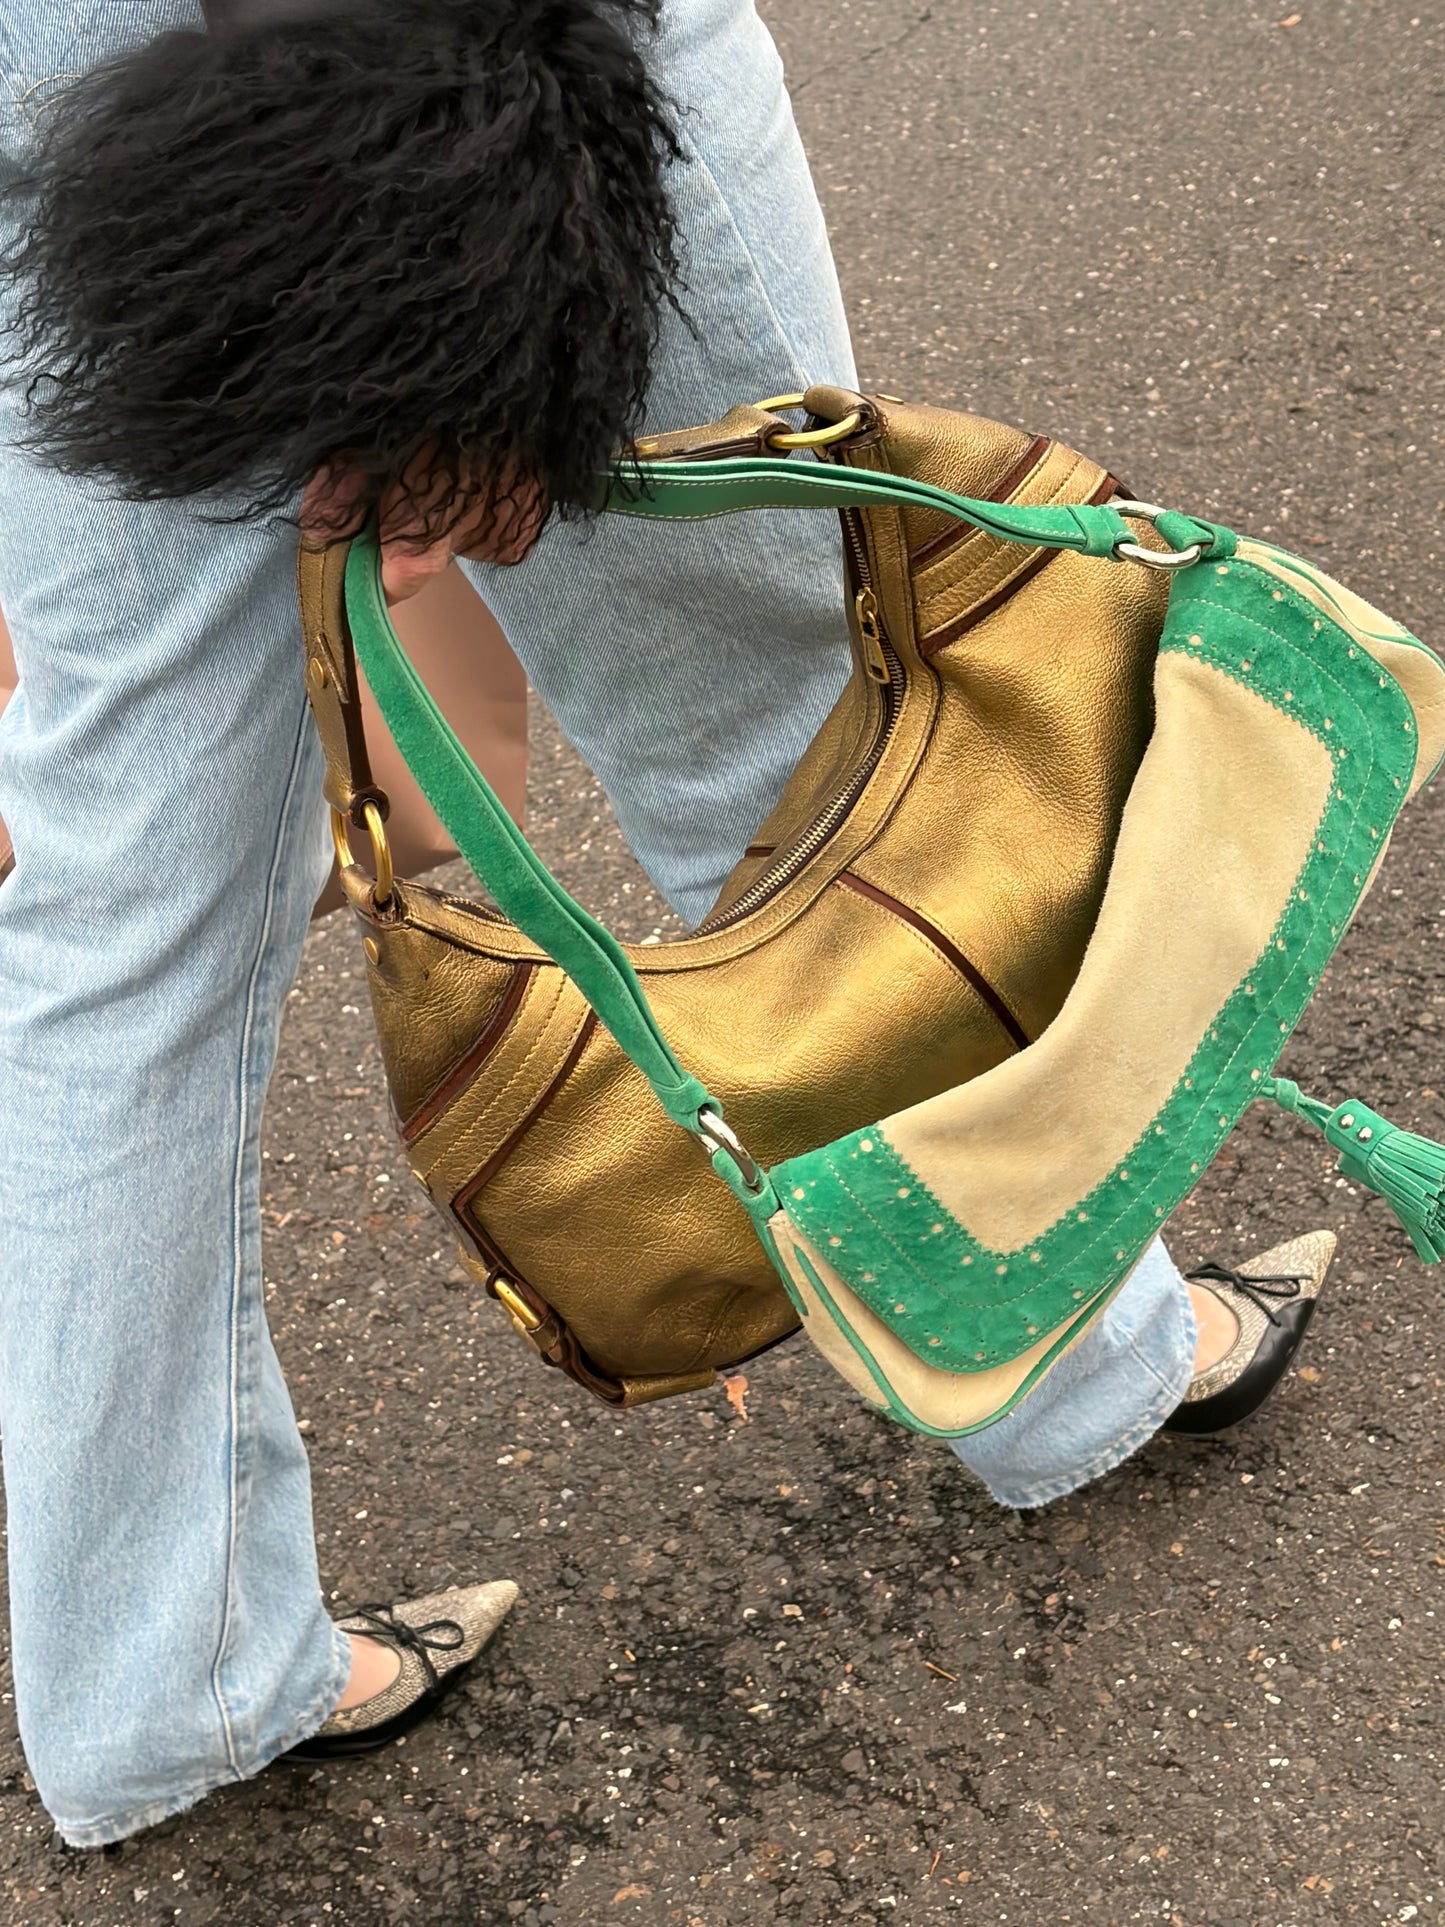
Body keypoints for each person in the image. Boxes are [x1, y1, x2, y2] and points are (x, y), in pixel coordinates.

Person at [0, 0, 1330, 1851]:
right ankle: (1068, 1368)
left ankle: (164, 1672)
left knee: (116, 898)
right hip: (458, 59)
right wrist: (446, 291)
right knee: (777, 735)